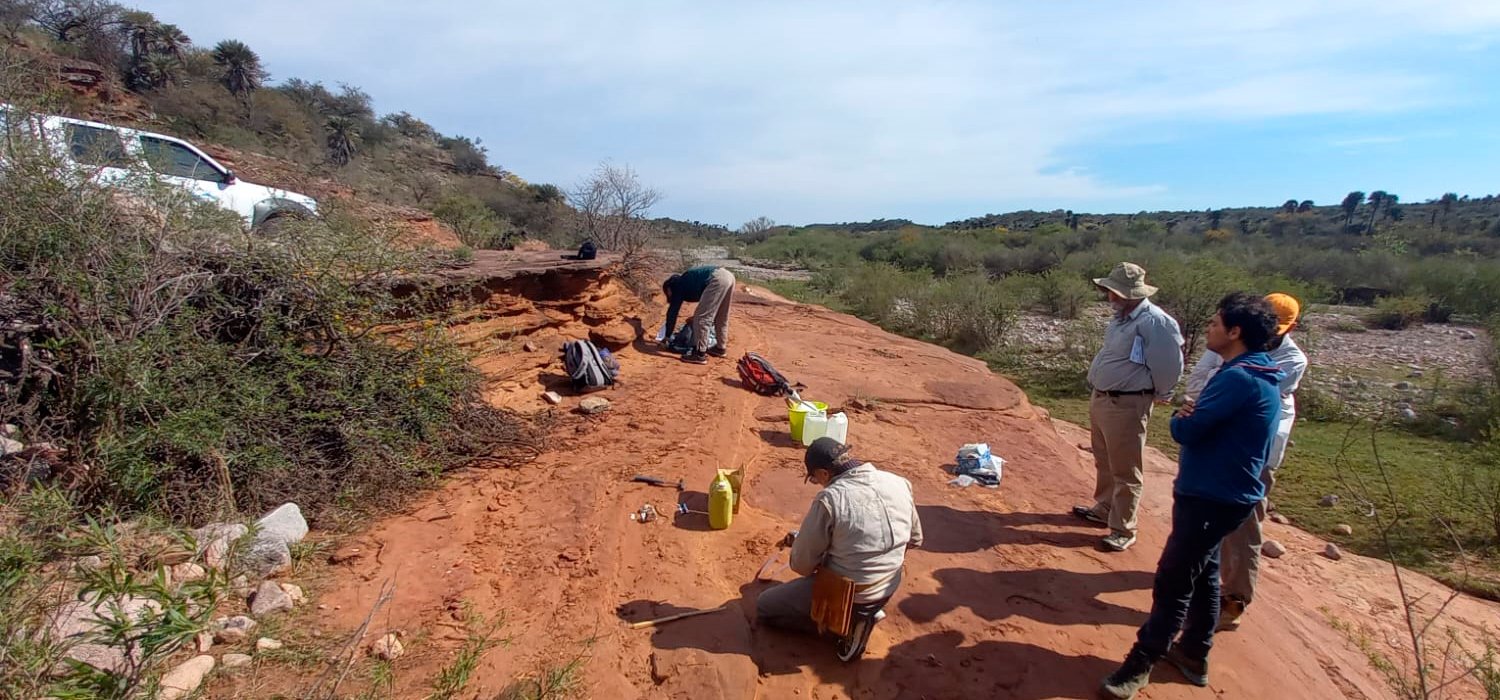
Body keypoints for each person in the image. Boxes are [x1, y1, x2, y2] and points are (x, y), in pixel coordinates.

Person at [1100, 293, 1285, 699]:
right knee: (1205, 572)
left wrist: (1185, 419)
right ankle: (1194, 653)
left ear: (1236, 332)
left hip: (1211, 494)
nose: (1209, 328)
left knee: (1174, 579)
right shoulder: (1260, 370)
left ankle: (1141, 662)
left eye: (1216, 323)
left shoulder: (1238, 377)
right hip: (1227, 495)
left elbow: (1188, 429)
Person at [1183, 293, 1308, 630]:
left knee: (1245, 528)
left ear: (1290, 327)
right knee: (1208, 523)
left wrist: (1206, 404)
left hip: (1255, 456)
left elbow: (1240, 394)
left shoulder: (1291, 360)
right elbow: (1200, 382)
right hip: (1216, 445)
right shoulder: (1227, 346)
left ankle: (1234, 600)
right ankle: (1207, 585)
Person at [756, 438, 923, 656]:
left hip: (851, 594)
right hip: (889, 585)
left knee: (765, 606)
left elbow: (801, 565)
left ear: (824, 473)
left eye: (816, 479)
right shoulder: (898, 482)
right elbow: (915, 539)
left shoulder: (830, 498)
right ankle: (868, 613)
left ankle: (844, 627)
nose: (819, 483)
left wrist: (825, 556)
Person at [1071, 262, 1185, 552]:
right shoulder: (1122, 317)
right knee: (1104, 458)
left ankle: (1123, 528)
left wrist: (1162, 393)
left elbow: (1170, 364)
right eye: (1110, 291)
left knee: (1126, 468)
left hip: (1127, 402)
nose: (1110, 297)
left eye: (1115, 292)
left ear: (1132, 294)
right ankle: (1104, 507)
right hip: (1104, 398)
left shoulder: (1155, 322)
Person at [660, 265, 735, 364]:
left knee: (701, 319)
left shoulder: (677, 285)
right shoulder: (687, 280)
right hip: (728, 276)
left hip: (716, 279)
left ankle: (699, 354)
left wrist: (667, 336)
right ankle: (720, 348)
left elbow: (673, 311)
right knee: (721, 317)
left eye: (667, 293)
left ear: (668, 289)